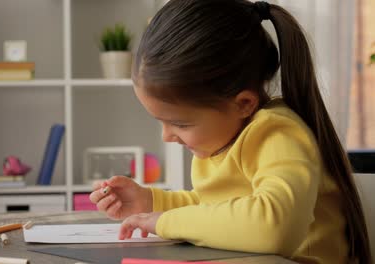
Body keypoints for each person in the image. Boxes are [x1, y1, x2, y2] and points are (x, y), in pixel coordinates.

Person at [89, 1, 371, 263]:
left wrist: (163, 222)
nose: (167, 136)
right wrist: (150, 202)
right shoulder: (225, 138)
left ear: (244, 104)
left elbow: (273, 227)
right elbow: (221, 209)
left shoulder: (277, 134)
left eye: (181, 124)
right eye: (161, 122)